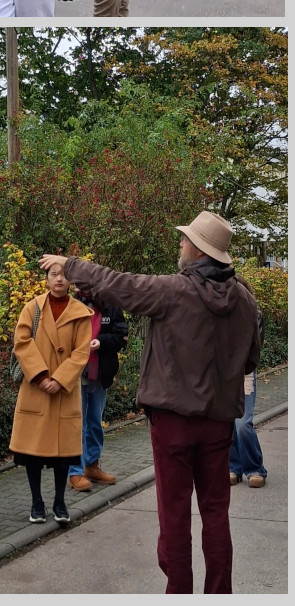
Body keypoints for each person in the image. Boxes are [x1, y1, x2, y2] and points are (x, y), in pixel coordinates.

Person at [39, 208, 261, 594]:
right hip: (219, 422)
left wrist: (69, 264)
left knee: (174, 516)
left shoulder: (176, 290)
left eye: (185, 239)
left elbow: (118, 284)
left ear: (198, 251)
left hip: (174, 422)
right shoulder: (245, 300)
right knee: (215, 514)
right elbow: (252, 359)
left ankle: (178, 592)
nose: (180, 243)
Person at [10, 259, 92, 526]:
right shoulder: (32, 308)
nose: (59, 279)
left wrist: (59, 379)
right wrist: (42, 376)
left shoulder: (81, 312)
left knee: (63, 453)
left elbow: (82, 352)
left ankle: (59, 502)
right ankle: (36, 502)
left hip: (64, 391)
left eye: (64, 275)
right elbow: (22, 343)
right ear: (45, 279)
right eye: (53, 274)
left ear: (71, 280)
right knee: (32, 451)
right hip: (36, 388)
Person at [66, 288, 129, 492]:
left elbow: (121, 335)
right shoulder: (71, 304)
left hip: (100, 373)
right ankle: (74, 471)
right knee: (77, 423)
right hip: (76, 374)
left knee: (94, 421)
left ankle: (92, 465)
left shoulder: (110, 305)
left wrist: (100, 342)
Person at [229, 315, 267, 489]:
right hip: (223, 375)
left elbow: (255, 346)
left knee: (243, 423)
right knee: (228, 422)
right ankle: (233, 467)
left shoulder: (253, 313)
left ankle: (254, 468)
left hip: (245, 372)